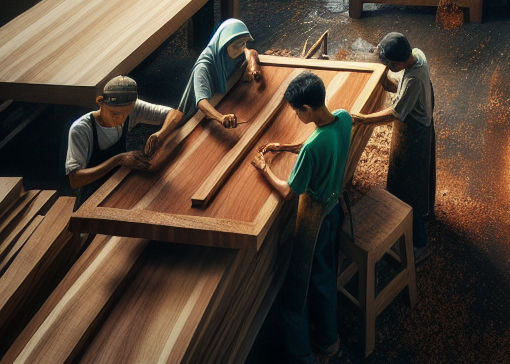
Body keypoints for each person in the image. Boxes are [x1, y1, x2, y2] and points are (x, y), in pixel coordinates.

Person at [252, 70, 352, 364]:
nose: (295, 115)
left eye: (296, 111)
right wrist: (286, 147)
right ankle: (328, 339)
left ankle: (304, 355)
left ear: (306, 109)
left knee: (296, 291)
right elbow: (322, 141)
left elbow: (288, 191)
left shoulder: (311, 148)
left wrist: (263, 167)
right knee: (324, 276)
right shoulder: (343, 118)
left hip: (314, 223)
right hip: (335, 212)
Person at [351, 33, 436, 260]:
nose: (387, 66)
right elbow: (400, 88)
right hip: (419, 123)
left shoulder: (414, 80)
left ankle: (420, 244)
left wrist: (362, 118)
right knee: (407, 184)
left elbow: (395, 113)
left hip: (416, 134)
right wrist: (383, 76)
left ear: (398, 64)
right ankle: (409, 223)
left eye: (389, 64)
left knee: (411, 191)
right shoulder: (417, 54)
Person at [65, 75, 183, 205]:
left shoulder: (132, 108)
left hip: (119, 185)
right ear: (100, 101)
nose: (120, 119)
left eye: (126, 113)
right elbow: (75, 180)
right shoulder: (81, 129)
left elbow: (175, 114)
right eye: (114, 113)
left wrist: (161, 134)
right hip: (92, 197)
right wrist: (118, 160)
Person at [178, 18, 263, 126]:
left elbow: (250, 52)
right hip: (195, 117)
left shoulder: (236, 52)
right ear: (223, 44)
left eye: (243, 44)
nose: (240, 50)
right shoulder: (203, 68)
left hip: (223, 100)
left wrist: (252, 68)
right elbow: (201, 102)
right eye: (235, 47)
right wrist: (221, 118)